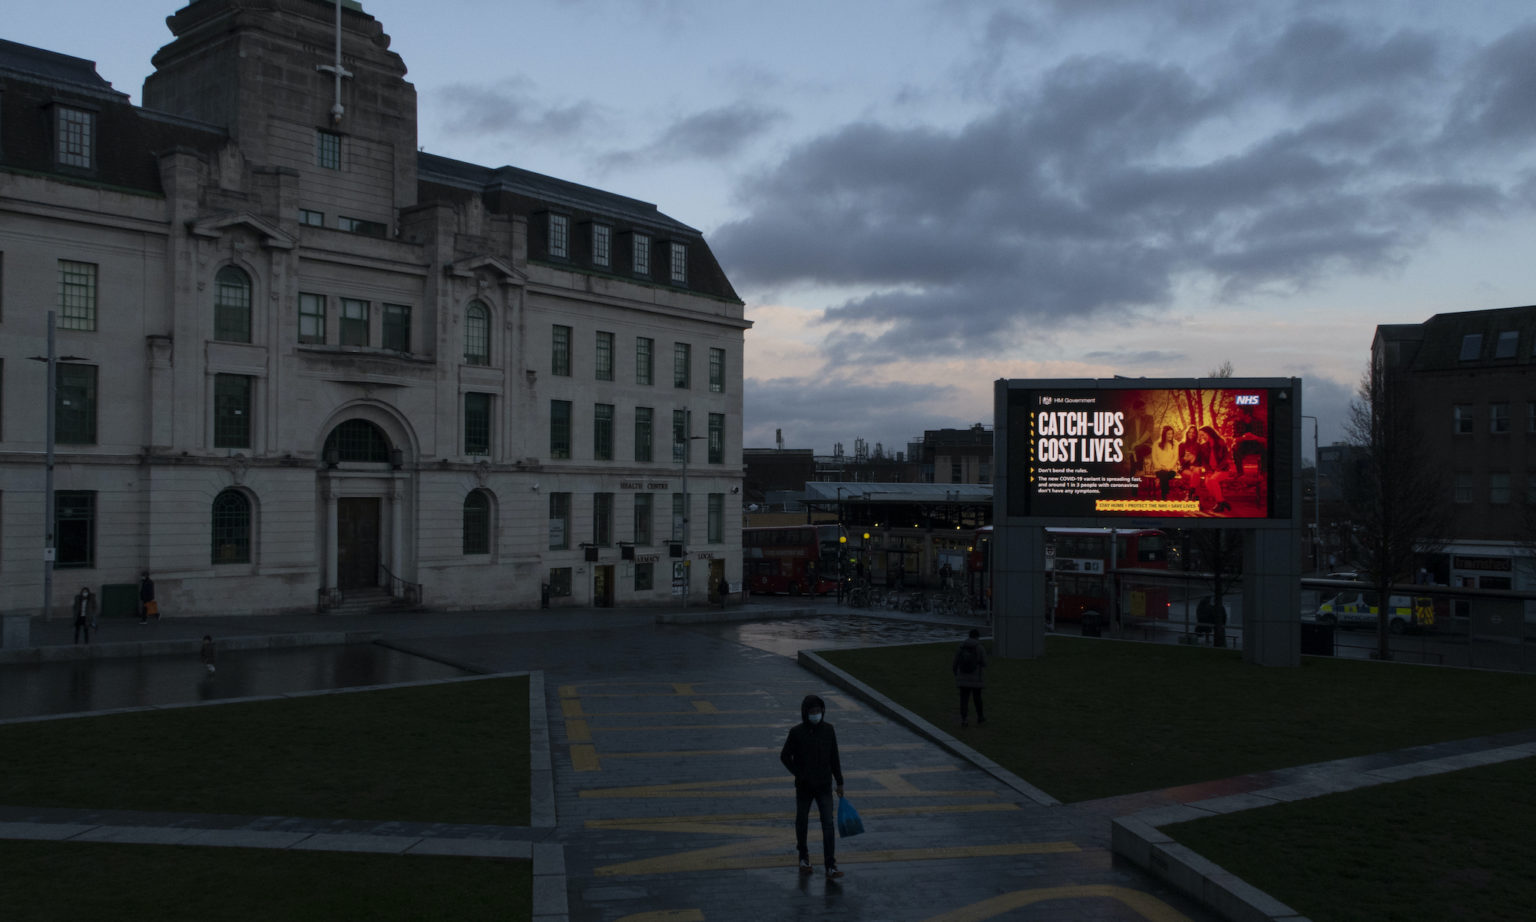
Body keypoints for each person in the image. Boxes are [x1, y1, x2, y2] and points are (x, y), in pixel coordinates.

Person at [779, 694, 845, 879]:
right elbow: (784, 756)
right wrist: (799, 773)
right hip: (804, 786)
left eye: (818, 711)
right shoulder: (796, 732)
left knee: (828, 825)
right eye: (812, 711)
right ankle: (803, 857)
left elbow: (834, 758)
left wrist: (839, 781)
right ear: (805, 713)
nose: (816, 714)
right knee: (802, 821)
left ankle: (830, 865)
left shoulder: (829, 730)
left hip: (824, 785)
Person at [952, 628, 987, 727]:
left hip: (963, 677)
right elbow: (985, 663)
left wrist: (956, 673)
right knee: (977, 698)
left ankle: (964, 719)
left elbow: (955, 662)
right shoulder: (979, 647)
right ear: (977, 636)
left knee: (964, 699)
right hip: (976, 679)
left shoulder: (961, 646)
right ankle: (980, 717)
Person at [1150, 425, 1181, 500]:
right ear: (1164, 434)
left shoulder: (1175, 444)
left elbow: (1175, 458)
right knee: (1163, 474)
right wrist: (1160, 467)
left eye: (1171, 433)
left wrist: (1169, 467)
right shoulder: (1156, 444)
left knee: (1164, 475)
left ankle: (1160, 482)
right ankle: (1165, 495)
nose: (1170, 435)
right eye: (1168, 434)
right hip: (1159, 469)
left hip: (1171, 469)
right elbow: (1154, 458)